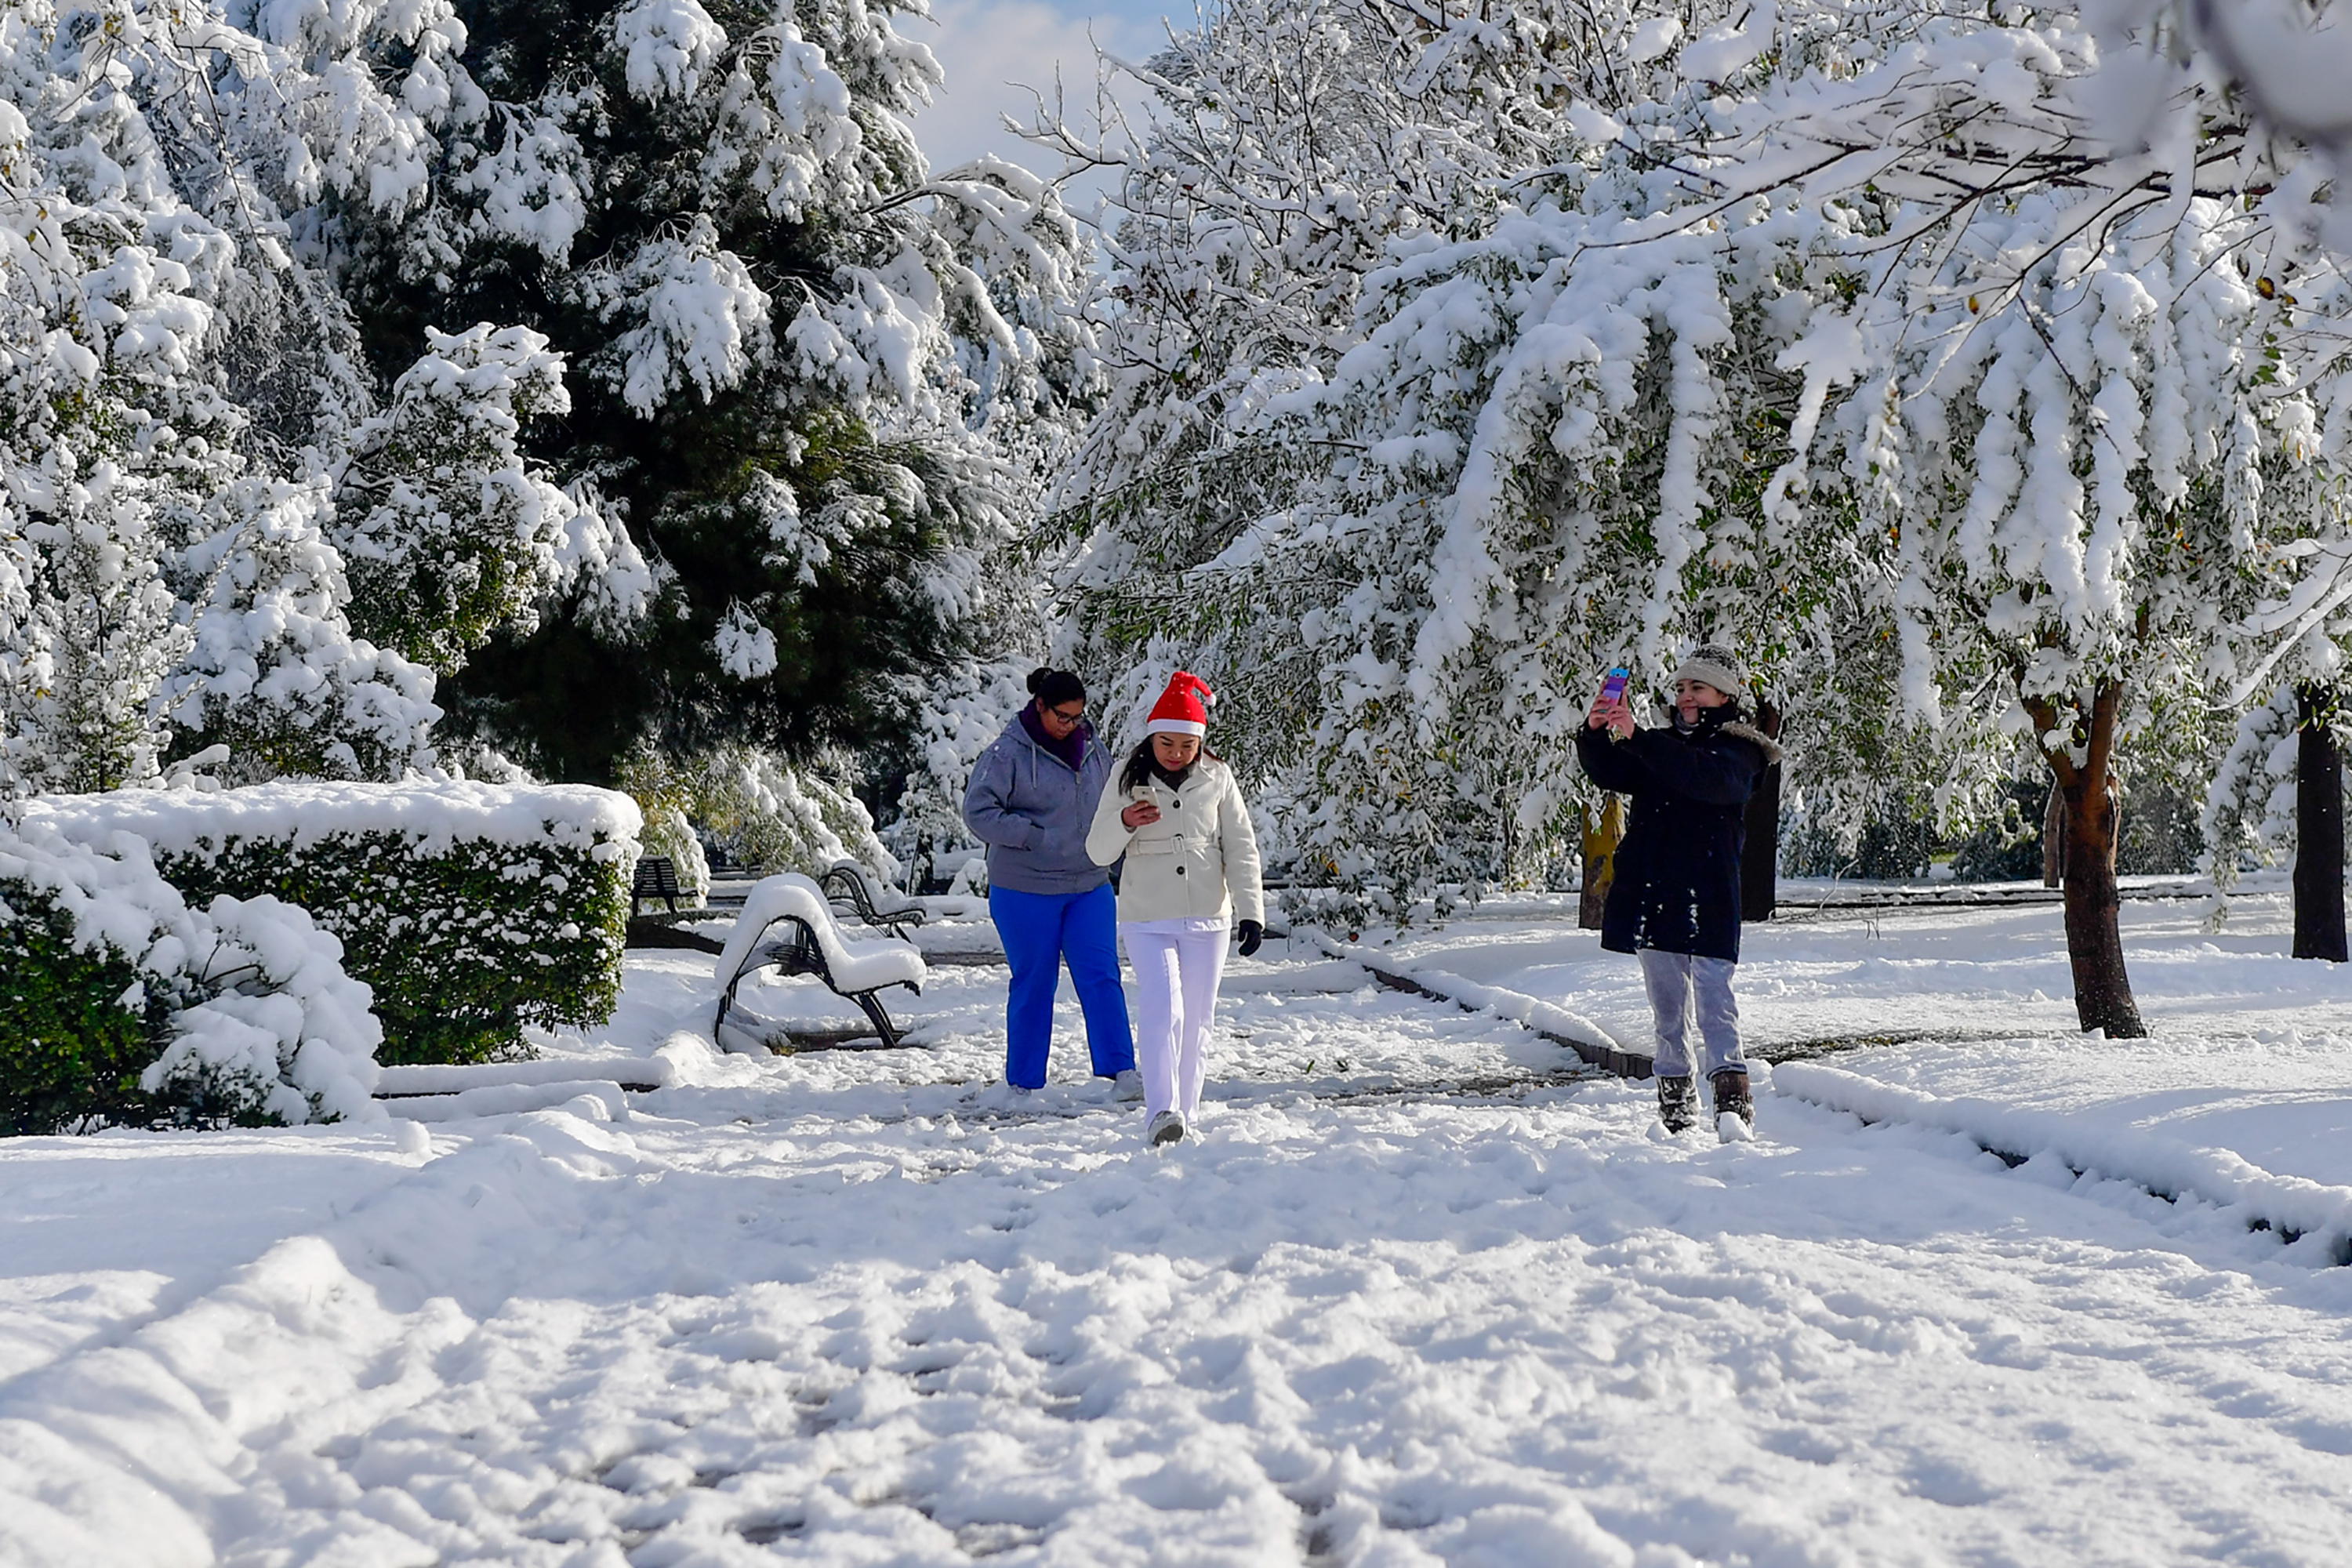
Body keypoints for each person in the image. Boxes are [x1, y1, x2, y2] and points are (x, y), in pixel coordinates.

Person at [1575, 644, 1782, 1135]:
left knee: (1715, 1001)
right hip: (1653, 890)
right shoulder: (1659, 744)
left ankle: (1732, 1108)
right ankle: (1674, 1105)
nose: (1687, 697)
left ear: (1725, 696)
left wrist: (1640, 738)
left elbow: (1708, 780)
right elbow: (1610, 770)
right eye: (1682, 687)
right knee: (1666, 1008)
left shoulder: (1741, 749)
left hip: (1709, 894)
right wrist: (1596, 731)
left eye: (1699, 687)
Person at [1086, 671, 1265, 1146]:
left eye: (1187, 745)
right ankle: (1160, 1110)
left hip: (1209, 911)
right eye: (1167, 742)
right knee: (1164, 1007)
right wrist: (1125, 821)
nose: (1177, 753)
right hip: (1147, 914)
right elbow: (1097, 850)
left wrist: (1252, 911)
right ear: (1152, 736)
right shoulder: (1127, 775)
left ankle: (1186, 1114)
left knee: (1199, 1018)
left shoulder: (1218, 776)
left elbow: (1241, 845)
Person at [964, 668, 1140, 1098]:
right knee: (1035, 981)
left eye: (1077, 717)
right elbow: (978, 812)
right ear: (1038, 706)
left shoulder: (1093, 748)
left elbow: (1110, 801)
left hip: (1089, 884)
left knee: (1102, 976)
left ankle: (1122, 1072)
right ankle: (1023, 1084)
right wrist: (1031, 836)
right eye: (1062, 716)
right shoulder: (1007, 754)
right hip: (1025, 888)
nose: (1071, 725)